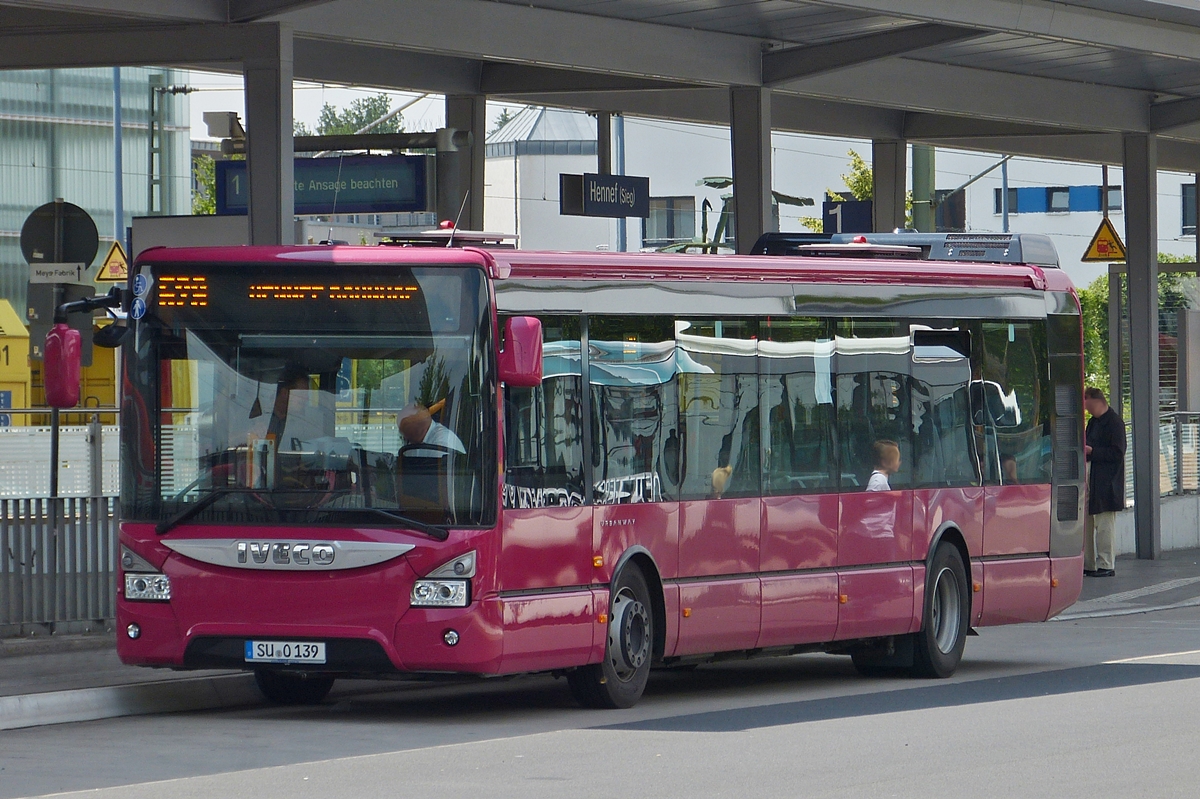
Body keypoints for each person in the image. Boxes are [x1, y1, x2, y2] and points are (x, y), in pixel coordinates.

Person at [1084, 387, 1126, 577]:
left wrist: (1093, 452)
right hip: (1092, 479)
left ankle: (1106, 564)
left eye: (1086, 402)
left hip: (1107, 481)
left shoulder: (1115, 422)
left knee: (1104, 525)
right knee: (1089, 522)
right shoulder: (1093, 423)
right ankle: (1089, 563)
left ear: (1094, 400)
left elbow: (1118, 453)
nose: (1085, 407)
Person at [397, 403, 465, 459]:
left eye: (406, 432)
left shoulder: (443, 441)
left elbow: (436, 473)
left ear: (418, 427)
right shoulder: (413, 445)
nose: (404, 437)